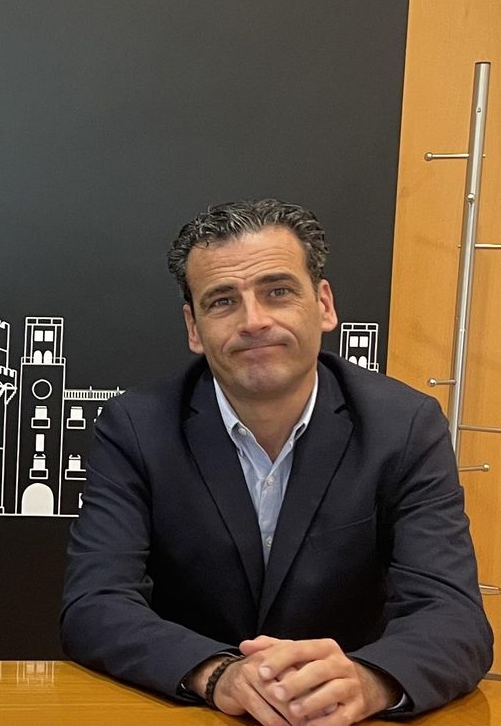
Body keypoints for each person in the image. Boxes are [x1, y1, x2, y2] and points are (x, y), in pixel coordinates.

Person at [61, 199, 492, 725]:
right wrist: (219, 674)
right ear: (194, 329)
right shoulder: (136, 427)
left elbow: (452, 617)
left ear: (324, 304)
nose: (254, 321)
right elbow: (95, 603)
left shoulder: (405, 426)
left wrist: (368, 680)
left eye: (278, 291)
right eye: (222, 301)